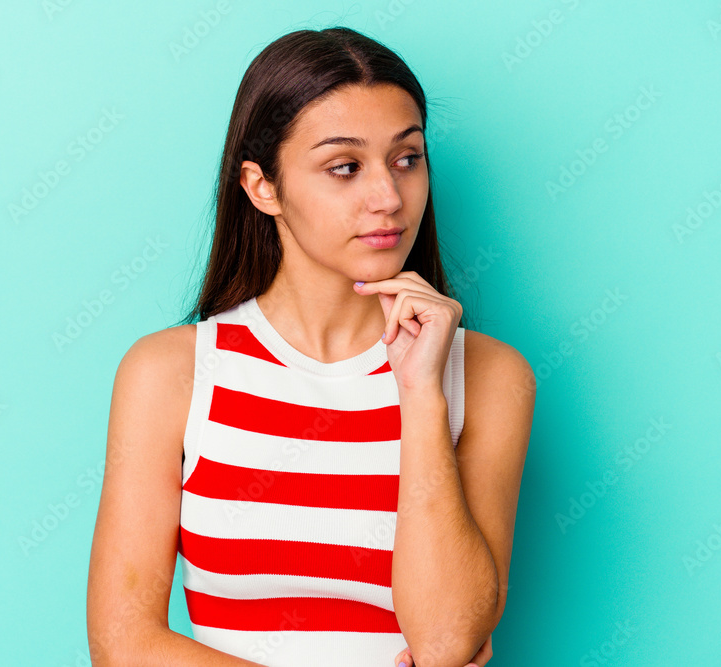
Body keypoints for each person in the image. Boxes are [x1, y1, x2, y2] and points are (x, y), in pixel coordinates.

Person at [86, 26, 535, 667]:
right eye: (344, 167)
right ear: (262, 186)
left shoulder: (490, 376)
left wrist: (420, 395)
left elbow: (445, 642)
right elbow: (122, 644)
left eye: (407, 159)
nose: (388, 197)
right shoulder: (170, 374)